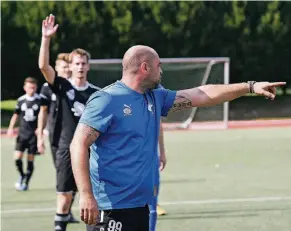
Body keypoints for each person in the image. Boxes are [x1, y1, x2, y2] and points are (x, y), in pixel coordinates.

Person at [70, 44, 285, 231]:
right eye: (158, 65)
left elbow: (203, 94)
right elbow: (78, 144)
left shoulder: (156, 96)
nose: (161, 70)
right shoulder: (106, 100)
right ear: (145, 68)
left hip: (140, 206)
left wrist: (250, 87)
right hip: (111, 208)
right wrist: (86, 195)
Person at [38, 14, 100, 231]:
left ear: (88, 67)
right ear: (71, 66)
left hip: (92, 152)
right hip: (66, 149)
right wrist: (46, 39)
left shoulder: (97, 94)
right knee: (64, 198)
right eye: (77, 63)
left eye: (84, 63)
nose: (80, 67)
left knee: (92, 198)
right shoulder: (62, 86)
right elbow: (44, 67)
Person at [37, 52, 79, 223]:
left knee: (76, 177)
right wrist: (40, 134)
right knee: (65, 176)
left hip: (72, 137)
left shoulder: (76, 86)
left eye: (68, 66)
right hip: (56, 138)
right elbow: (43, 111)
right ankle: (64, 210)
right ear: (56, 67)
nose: (67, 69)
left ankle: (66, 211)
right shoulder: (49, 87)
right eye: (63, 66)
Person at [7, 77, 41, 191]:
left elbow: (44, 116)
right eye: (29, 87)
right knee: (17, 158)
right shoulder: (21, 100)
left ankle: (26, 182)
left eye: (33, 87)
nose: (31, 89)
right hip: (22, 134)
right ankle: (22, 175)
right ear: (25, 88)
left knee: (30, 159)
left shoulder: (40, 100)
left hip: (33, 136)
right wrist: (11, 127)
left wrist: (41, 129)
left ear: (36, 87)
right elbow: (16, 114)